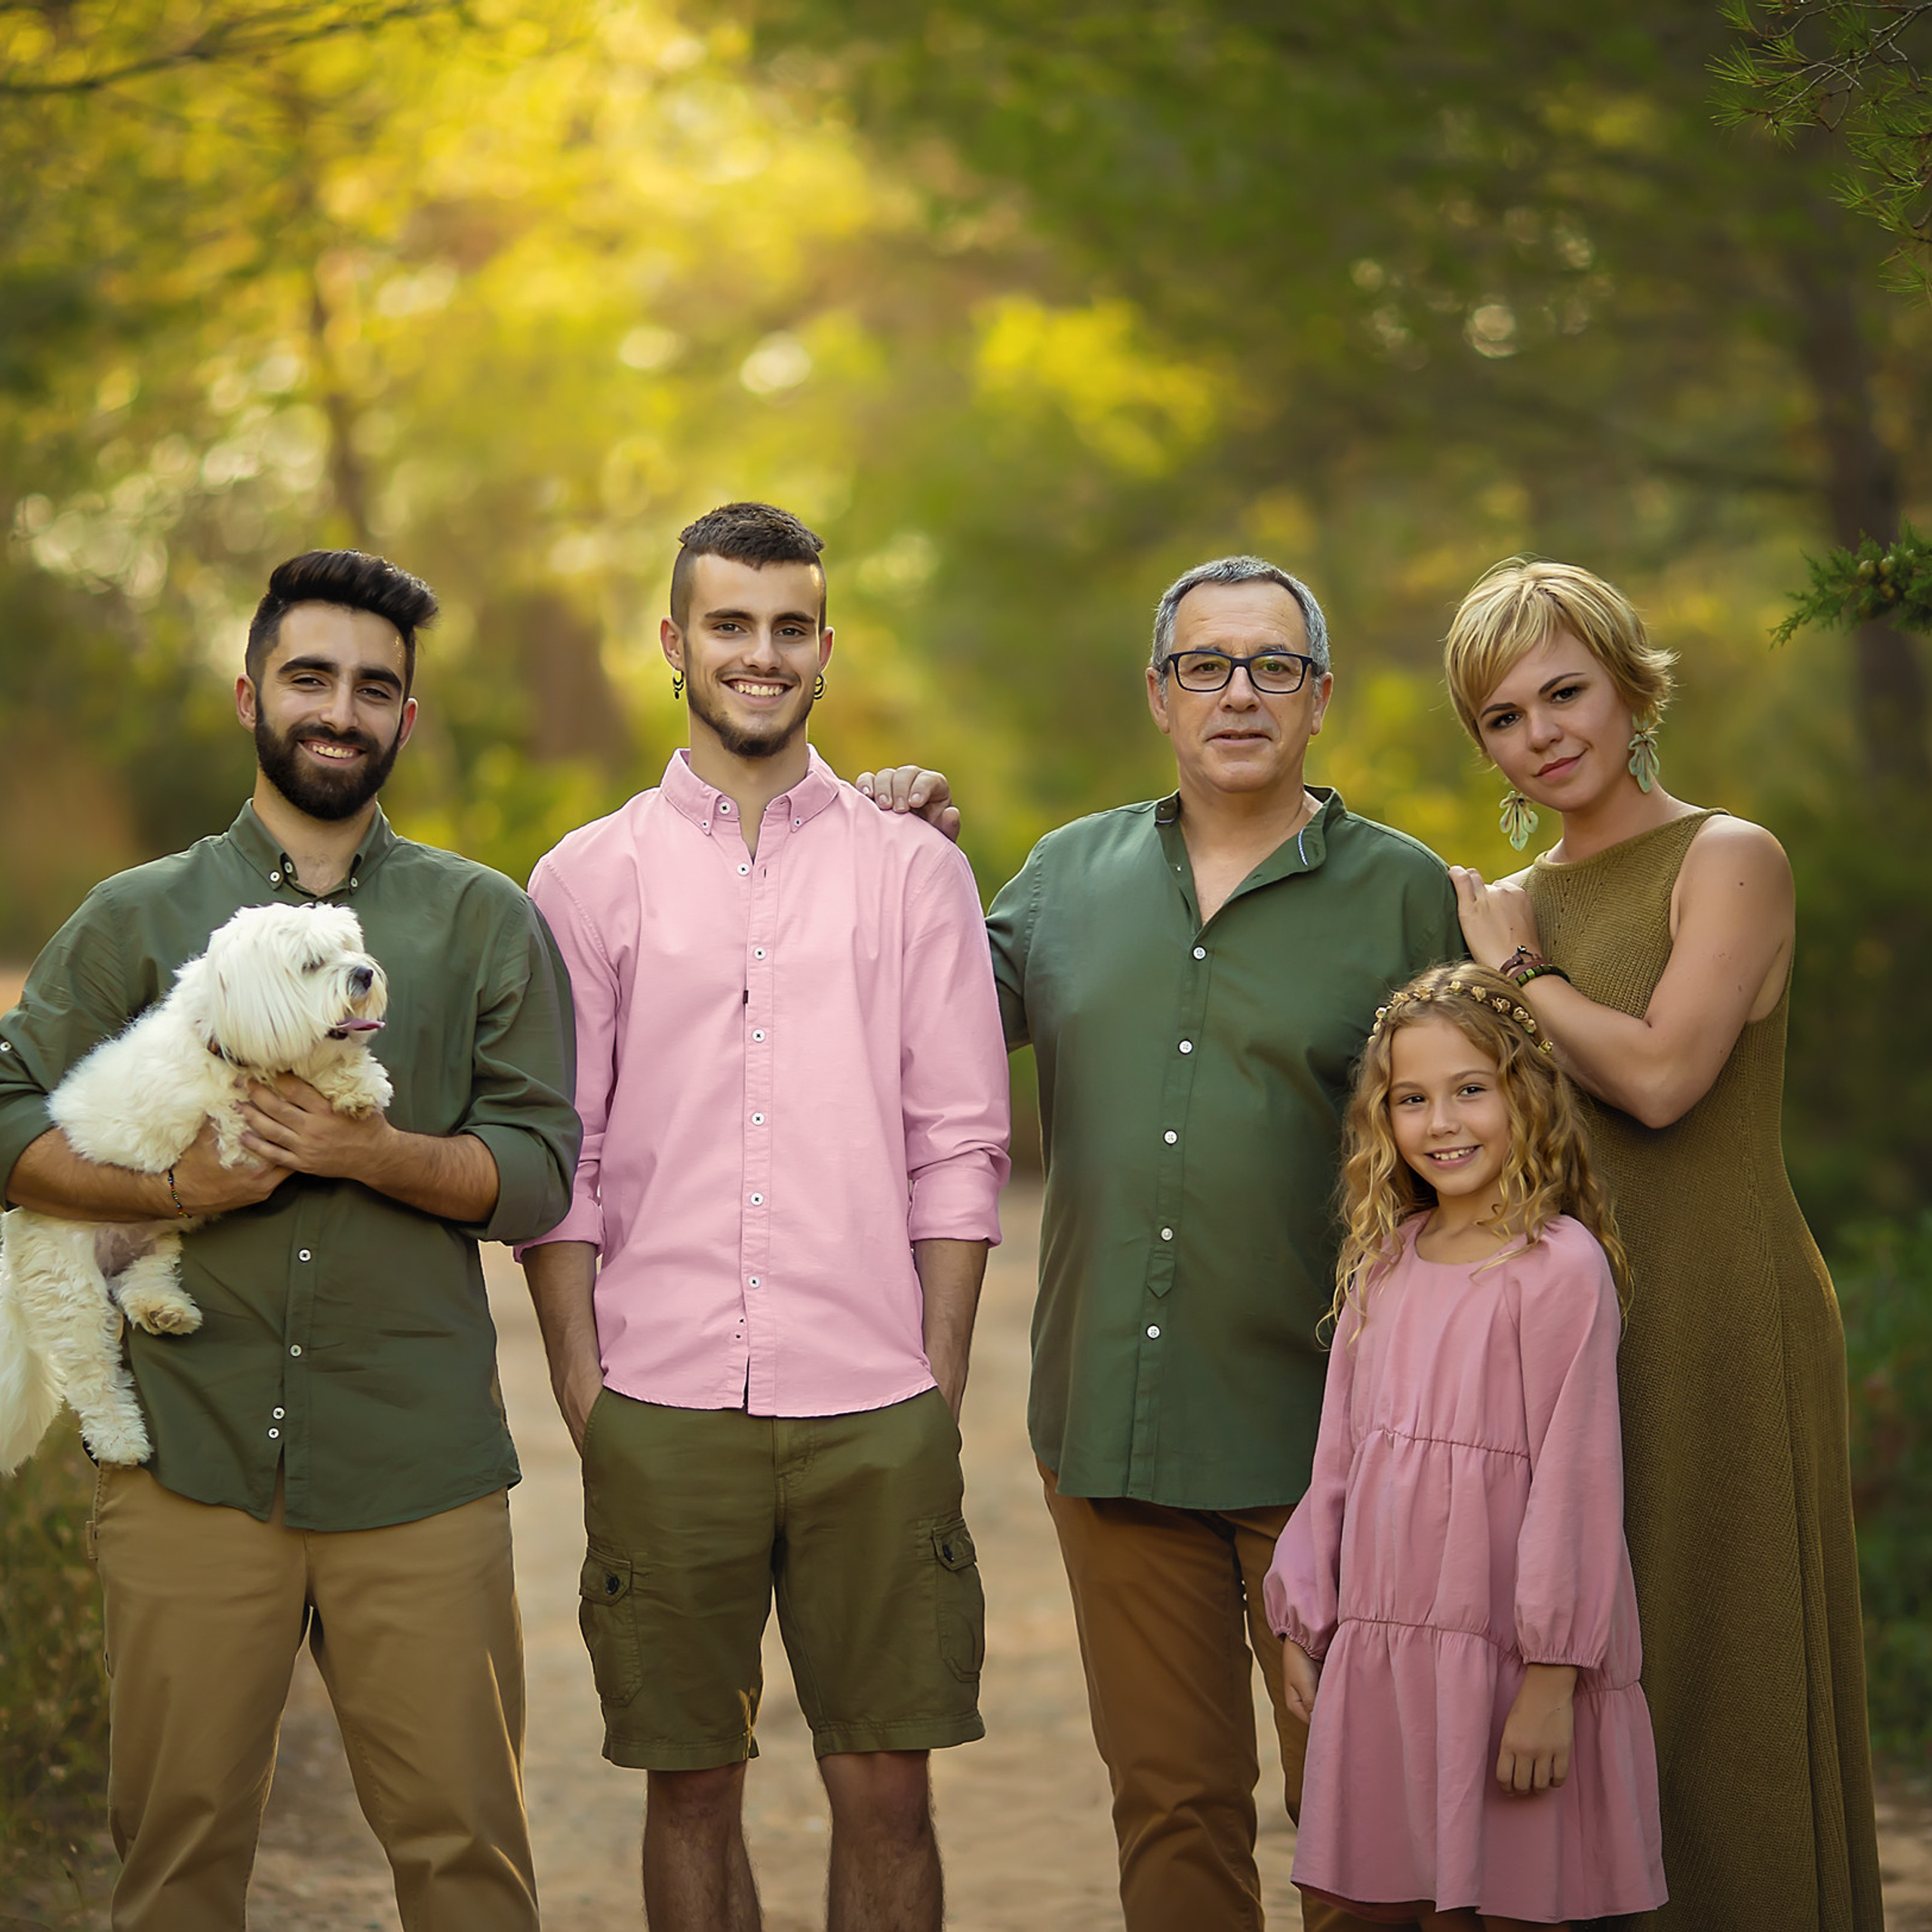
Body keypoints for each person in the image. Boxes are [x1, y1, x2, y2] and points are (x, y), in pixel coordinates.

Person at [867, 555, 1460, 1931]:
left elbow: (1476, 1161)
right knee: (1172, 1813)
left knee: (1371, 1825)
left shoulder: (1406, 896)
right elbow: (915, 1026)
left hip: (1335, 1441)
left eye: (1273, 666)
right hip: (1115, 1433)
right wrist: (893, 855)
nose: (1238, 693)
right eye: (1206, 665)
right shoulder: (1064, 877)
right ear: (1159, 693)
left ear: (1320, 696)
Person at [0, 549, 580, 1931]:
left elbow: (540, 1172)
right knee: (176, 1868)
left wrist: (372, 1153)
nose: (340, 708)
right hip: (186, 1459)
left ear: (406, 719)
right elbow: (6, 1113)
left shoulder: (482, 919)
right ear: (250, 694)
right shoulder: (135, 917)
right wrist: (173, 1191)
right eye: (310, 677)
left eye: (375, 687)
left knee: (468, 1864)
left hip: (416, 1463)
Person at [518, 502, 1010, 1932]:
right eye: (729, 624)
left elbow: (960, 1144)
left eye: (791, 627)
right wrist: (582, 1385)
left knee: (888, 1792)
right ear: (674, 644)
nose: (762, 653)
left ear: (826, 649)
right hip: (662, 1400)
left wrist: (939, 1378)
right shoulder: (586, 877)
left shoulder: (915, 869)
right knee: (689, 1791)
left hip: (876, 1403)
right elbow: (564, 1153)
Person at [1439, 558, 1882, 1932]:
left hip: (1721, 1315)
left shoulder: (1729, 858)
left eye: (1565, 692)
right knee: (1570, 1673)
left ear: (1632, 687)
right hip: (1566, 1339)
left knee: (1718, 1676)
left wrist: (1519, 975)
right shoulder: (1512, 906)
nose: (1542, 734)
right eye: (1504, 717)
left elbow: (1663, 1077)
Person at [1266, 963, 1667, 1930]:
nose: (1440, 1122)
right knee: (1410, 1900)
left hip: (1513, 1666)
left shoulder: (1557, 1268)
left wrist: (1551, 1678)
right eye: (1411, 1099)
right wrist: (1304, 1616)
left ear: (1524, 1093)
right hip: (1390, 1650)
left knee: (1515, 1902)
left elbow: (1576, 1483)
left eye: (1469, 1089)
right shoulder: (1384, 1263)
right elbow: (1338, 1460)